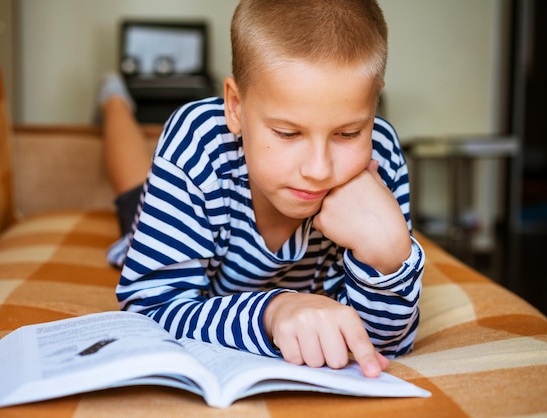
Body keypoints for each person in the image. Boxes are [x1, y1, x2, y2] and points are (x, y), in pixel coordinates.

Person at [100, 0, 424, 378]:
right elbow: (149, 309)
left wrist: (387, 257)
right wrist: (273, 312)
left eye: (348, 133)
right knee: (131, 191)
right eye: (288, 133)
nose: (318, 171)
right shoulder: (196, 143)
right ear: (235, 106)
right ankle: (113, 97)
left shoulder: (380, 152)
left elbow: (386, 342)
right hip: (185, 221)